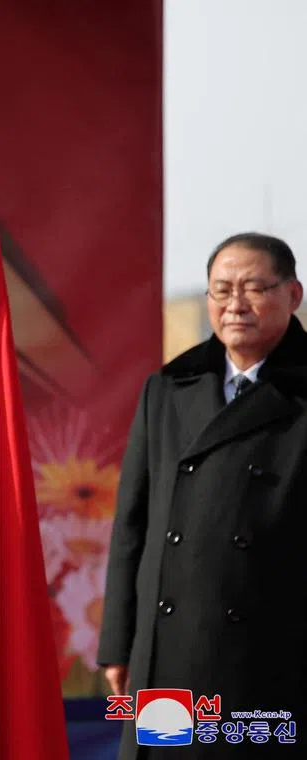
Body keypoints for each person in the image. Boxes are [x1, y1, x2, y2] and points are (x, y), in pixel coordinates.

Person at [98, 232, 307, 759]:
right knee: (170, 750)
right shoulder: (170, 387)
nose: (236, 303)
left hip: (272, 647)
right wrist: (120, 642)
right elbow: (133, 524)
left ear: (293, 295)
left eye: (255, 287)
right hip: (168, 646)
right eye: (222, 290)